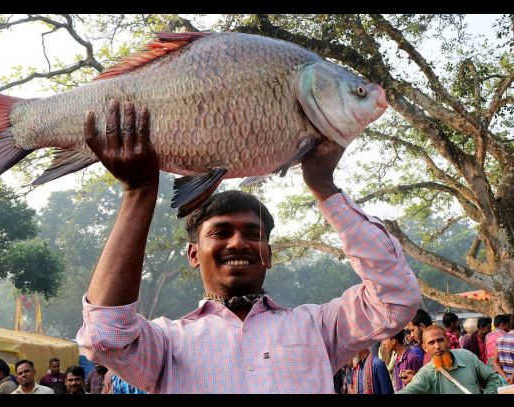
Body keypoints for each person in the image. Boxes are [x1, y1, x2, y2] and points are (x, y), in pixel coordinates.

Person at [76, 100, 422, 393]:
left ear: (268, 254)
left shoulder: (316, 327)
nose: (238, 242)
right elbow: (105, 335)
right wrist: (139, 191)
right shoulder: (166, 343)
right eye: (221, 232)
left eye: (254, 234)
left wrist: (322, 183)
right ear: (194, 254)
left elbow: (396, 298)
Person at [397, 325, 503, 394]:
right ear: (425, 348)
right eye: (431, 343)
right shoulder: (425, 374)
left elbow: (493, 378)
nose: (437, 346)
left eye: (440, 340)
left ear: (448, 341)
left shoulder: (467, 356)